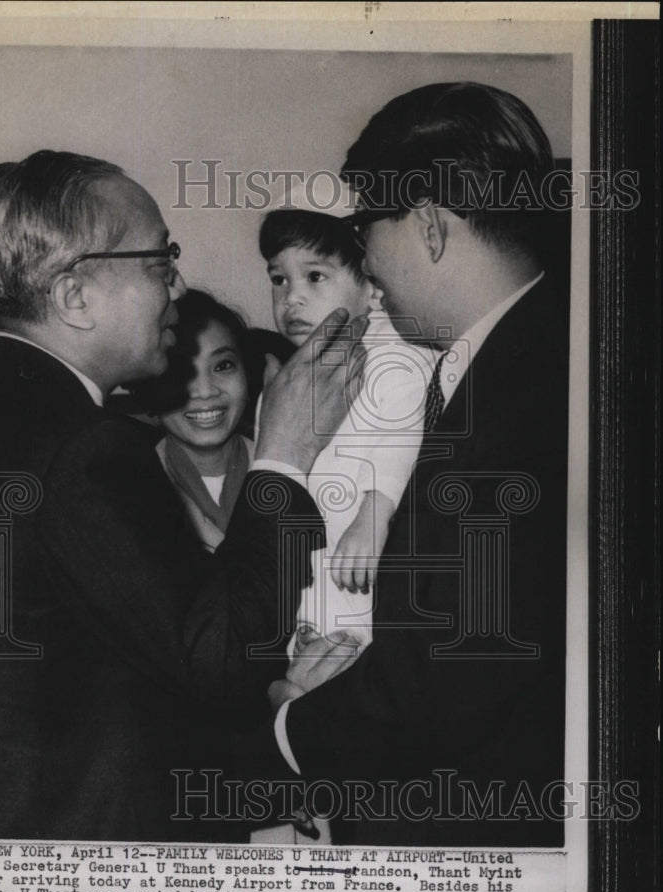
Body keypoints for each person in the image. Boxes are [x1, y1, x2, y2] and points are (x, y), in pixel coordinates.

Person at [0, 150, 365, 841]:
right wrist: (281, 457)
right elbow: (217, 659)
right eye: (161, 264)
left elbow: (106, 675)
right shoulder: (84, 449)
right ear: (74, 295)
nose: (178, 287)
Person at [268, 82, 570, 846]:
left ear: (430, 226)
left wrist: (298, 718)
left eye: (369, 224)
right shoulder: (524, 358)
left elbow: (465, 671)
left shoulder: (528, 390)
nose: (364, 256)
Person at [259, 204, 434, 652]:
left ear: (371, 287)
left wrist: (373, 515)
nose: (291, 297)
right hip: (310, 579)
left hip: (372, 564)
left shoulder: (398, 355)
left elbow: (403, 431)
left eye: (314, 277)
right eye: (279, 279)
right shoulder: (285, 384)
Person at [153, 289, 254, 553]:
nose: (206, 391)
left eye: (223, 366)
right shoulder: (129, 490)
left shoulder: (292, 473)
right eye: (180, 371)